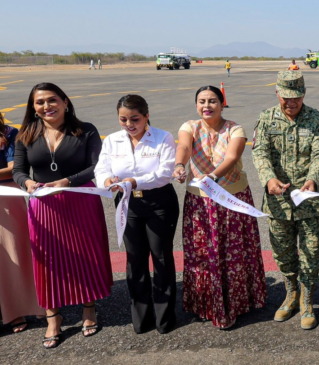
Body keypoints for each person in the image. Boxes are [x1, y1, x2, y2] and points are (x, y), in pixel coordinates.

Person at [12, 82, 113, 348]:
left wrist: (67, 181)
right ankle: (53, 318)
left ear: (65, 102)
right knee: (48, 261)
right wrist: (27, 184)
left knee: (85, 255)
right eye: (40, 102)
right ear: (33, 107)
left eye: (52, 100)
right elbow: (19, 170)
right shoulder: (25, 133)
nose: (47, 106)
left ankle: (88, 309)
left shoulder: (86, 130)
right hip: (44, 205)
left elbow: (95, 166)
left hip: (81, 201)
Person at [173, 85, 266, 329]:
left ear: (222, 104)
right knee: (203, 252)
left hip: (232, 200)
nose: (207, 106)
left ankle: (237, 303)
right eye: (202, 101)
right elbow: (183, 147)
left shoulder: (235, 128)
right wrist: (180, 165)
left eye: (213, 101)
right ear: (196, 105)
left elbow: (232, 157)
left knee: (234, 252)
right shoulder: (189, 127)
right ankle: (205, 304)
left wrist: (212, 177)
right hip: (200, 201)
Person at [94, 94, 179, 334]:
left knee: (161, 258)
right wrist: (106, 179)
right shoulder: (112, 140)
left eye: (135, 119)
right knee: (135, 259)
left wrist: (134, 181)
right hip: (127, 203)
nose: (129, 124)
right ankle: (141, 319)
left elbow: (165, 173)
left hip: (158, 203)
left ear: (146, 116)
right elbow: (102, 168)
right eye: (123, 119)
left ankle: (165, 318)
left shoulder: (163, 137)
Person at [252, 70, 319, 330]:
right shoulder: (266, 118)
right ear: (277, 93)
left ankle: (307, 300)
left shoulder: (316, 119)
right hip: (278, 202)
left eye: (296, 97)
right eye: (285, 97)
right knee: (284, 253)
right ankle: (291, 295)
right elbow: (260, 152)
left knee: (310, 254)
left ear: (303, 94)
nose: (291, 103)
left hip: (311, 202)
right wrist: (268, 179)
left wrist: (313, 179)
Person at [0, 112, 45, 334]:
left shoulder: (9, 133)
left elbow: (14, 167)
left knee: (14, 255)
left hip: (7, 197)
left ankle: (18, 309)